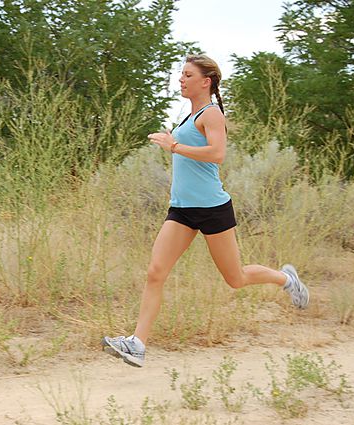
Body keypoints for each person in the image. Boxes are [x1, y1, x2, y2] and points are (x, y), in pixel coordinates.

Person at [101, 54, 309, 368]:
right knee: (155, 272)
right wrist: (175, 144)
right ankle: (137, 344)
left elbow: (217, 154)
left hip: (212, 209)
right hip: (182, 210)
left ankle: (285, 279)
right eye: (181, 75)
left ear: (205, 81)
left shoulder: (211, 114)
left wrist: (174, 146)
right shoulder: (189, 115)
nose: (180, 80)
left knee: (235, 279)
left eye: (187, 75)